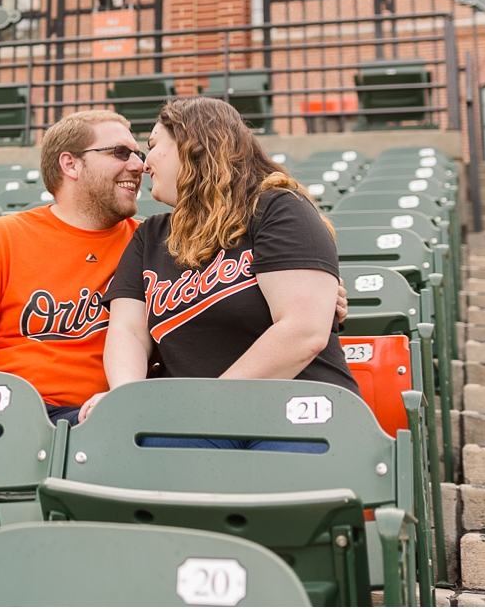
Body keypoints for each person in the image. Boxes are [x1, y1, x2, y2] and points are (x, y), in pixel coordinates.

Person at [82, 97, 359, 447]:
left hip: (294, 409)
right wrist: (127, 400)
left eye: (152, 146)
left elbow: (303, 331)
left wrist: (208, 406)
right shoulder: (150, 235)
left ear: (194, 145)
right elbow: (129, 332)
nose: (144, 163)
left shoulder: (278, 209)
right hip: (189, 424)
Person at [0, 110, 146, 426]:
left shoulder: (148, 243)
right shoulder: (5, 235)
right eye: (121, 153)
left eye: (138, 154)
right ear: (71, 164)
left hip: (90, 417)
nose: (138, 165)